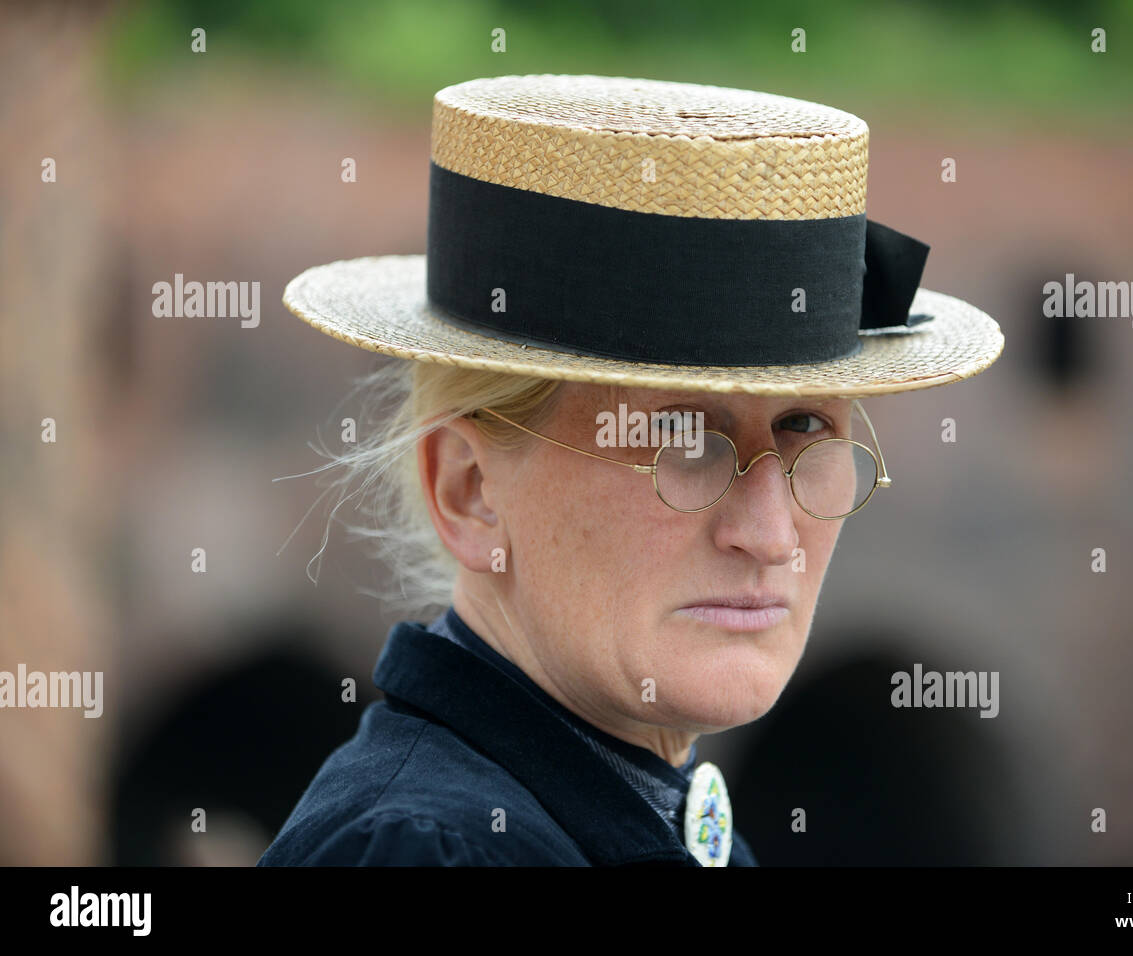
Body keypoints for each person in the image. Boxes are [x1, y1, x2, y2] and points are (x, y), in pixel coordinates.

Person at [257, 73, 1003, 867]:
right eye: (681, 436)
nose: (770, 533)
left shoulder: (637, 821)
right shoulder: (429, 852)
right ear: (469, 491)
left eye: (804, 426)